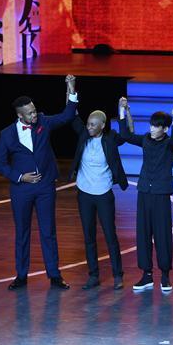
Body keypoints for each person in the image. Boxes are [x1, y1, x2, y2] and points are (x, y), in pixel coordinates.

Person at [0, 74, 78, 291]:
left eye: (34, 110)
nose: (34, 114)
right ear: (20, 115)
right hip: (21, 189)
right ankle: (21, 275)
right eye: (30, 113)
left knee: (48, 231)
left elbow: (67, 115)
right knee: (22, 232)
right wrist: (20, 177)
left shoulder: (43, 122)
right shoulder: (7, 134)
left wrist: (71, 88)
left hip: (45, 186)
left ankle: (55, 275)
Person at [119, 98, 173, 293]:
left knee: (162, 234)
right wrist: (123, 111)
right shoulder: (146, 139)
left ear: (164, 129)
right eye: (151, 125)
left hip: (161, 194)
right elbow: (126, 135)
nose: (152, 129)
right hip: (144, 192)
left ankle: (165, 275)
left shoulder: (170, 144)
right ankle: (146, 274)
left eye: (156, 126)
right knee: (143, 233)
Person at [69, 103, 130, 290]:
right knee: (89, 236)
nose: (89, 127)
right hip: (84, 194)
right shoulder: (84, 135)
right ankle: (93, 275)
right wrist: (70, 92)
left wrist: (123, 111)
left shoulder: (110, 139)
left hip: (103, 194)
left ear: (102, 125)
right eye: (88, 124)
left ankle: (117, 275)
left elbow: (127, 134)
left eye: (93, 124)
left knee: (110, 235)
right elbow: (72, 115)